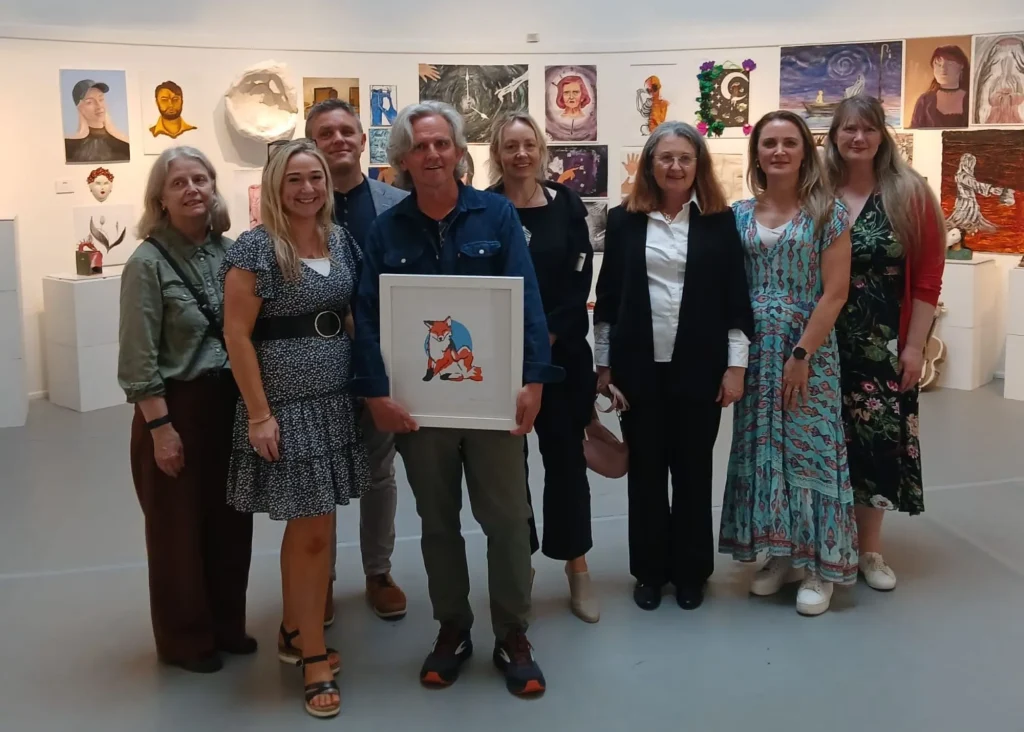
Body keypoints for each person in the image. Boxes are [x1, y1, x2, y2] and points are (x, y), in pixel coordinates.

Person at [351, 101, 561, 697]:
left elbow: (527, 301)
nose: (432, 155)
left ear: (459, 151)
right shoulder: (385, 231)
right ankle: (453, 629)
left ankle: (513, 634)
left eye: (441, 143)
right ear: (403, 158)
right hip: (420, 411)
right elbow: (368, 319)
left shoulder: (496, 215)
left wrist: (534, 380)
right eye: (420, 147)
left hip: (494, 404)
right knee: (438, 523)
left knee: (508, 521)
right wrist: (376, 395)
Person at [221, 139, 370, 719]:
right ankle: (312, 657)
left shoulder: (340, 239)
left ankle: (292, 627)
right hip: (287, 408)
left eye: (315, 178)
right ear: (275, 187)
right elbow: (237, 335)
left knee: (319, 529)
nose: (307, 189)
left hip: (335, 401)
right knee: (309, 534)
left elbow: (351, 314)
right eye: (294, 180)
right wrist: (260, 414)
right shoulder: (256, 248)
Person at [593, 121, 754, 612]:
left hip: (699, 369)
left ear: (698, 164)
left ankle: (691, 573)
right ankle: (648, 572)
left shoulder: (719, 222)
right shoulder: (623, 221)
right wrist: (604, 366)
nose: (676, 166)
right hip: (638, 370)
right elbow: (608, 299)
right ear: (650, 164)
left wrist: (736, 368)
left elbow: (735, 299)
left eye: (685, 157)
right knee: (645, 474)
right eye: (665, 157)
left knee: (692, 472)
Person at [118, 146, 253, 674]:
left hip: (229, 405)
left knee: (230, 522)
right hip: (177, 408)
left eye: (201, 179)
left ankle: (227, 625)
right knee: (176, 531)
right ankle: (185, 640)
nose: (192, 189)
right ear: (160, 198)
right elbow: (137, 357)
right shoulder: (146, 263)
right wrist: (160, 428)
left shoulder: (232, 253)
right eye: (179, 183)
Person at [718, 110, 857, 617]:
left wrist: (802, 354)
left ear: (805, 152)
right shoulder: (737, 215)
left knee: (811, 449)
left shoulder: (827, 213)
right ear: (756, 153)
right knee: (764, 449)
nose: (779, 151)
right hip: (754, 351)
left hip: (807, 351)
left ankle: (820, 566)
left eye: (789, 143)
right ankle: (781, 553)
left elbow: (835, 292)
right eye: (769, 143)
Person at [825, 95, 945, 590]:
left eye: (869, 129)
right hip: (822, 339)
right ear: (834, 136)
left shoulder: (909, 193)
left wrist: (914, 347)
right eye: (849, 129)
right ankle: (820, 542)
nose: (859, 138)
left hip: (883, 343)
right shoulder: (818, 191)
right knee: (823, 441)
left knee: (874, 443)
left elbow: (928, 280)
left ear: (882, 136)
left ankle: (869, 550)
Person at [487, 111, 599, 623]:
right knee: (508, 470)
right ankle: (521, 566)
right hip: (501, 359)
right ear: (497, 152)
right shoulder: (483, 208)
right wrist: (516, 346)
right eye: (510, 146)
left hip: (561, 355)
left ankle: (577, 567)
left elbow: (580, 279)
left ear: (541, 150)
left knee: (566, 460)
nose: (521, 154)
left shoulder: (567, 204)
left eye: (528, 144)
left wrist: (546, 337)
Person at [306, 97, 409, 623]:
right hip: (317, 361)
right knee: (319, 473)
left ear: (364, 141)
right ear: (311, 144)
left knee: (379, 472)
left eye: (347, 131)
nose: (339, 140)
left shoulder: (398, 203)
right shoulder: (297, 206)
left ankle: (378, 572)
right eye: (326, 133)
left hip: (384, 358)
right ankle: (317, 579)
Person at [64, 78, 130, 163]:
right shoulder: (69, 146)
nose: (99, 106)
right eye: (89, 102)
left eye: (101, 99)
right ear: (79, 108)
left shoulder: (125, 143)